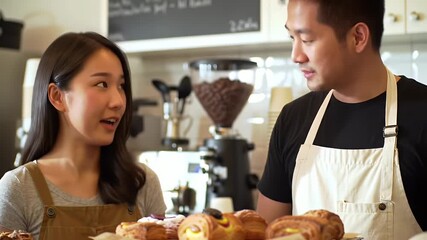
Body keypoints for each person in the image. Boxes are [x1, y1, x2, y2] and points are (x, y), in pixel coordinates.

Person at [256, 0, 427, 239]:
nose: (295, 56)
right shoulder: (292, 119)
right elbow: (266, 232)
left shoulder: (422, 113)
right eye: (291, 38)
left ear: (357, 37)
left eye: (307, 40)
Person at [0, 32, 166, 239]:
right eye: (102, 84)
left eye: (121, 86)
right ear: (57, 96)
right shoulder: (19, 188)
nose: (118, 102)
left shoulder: (142, 182)